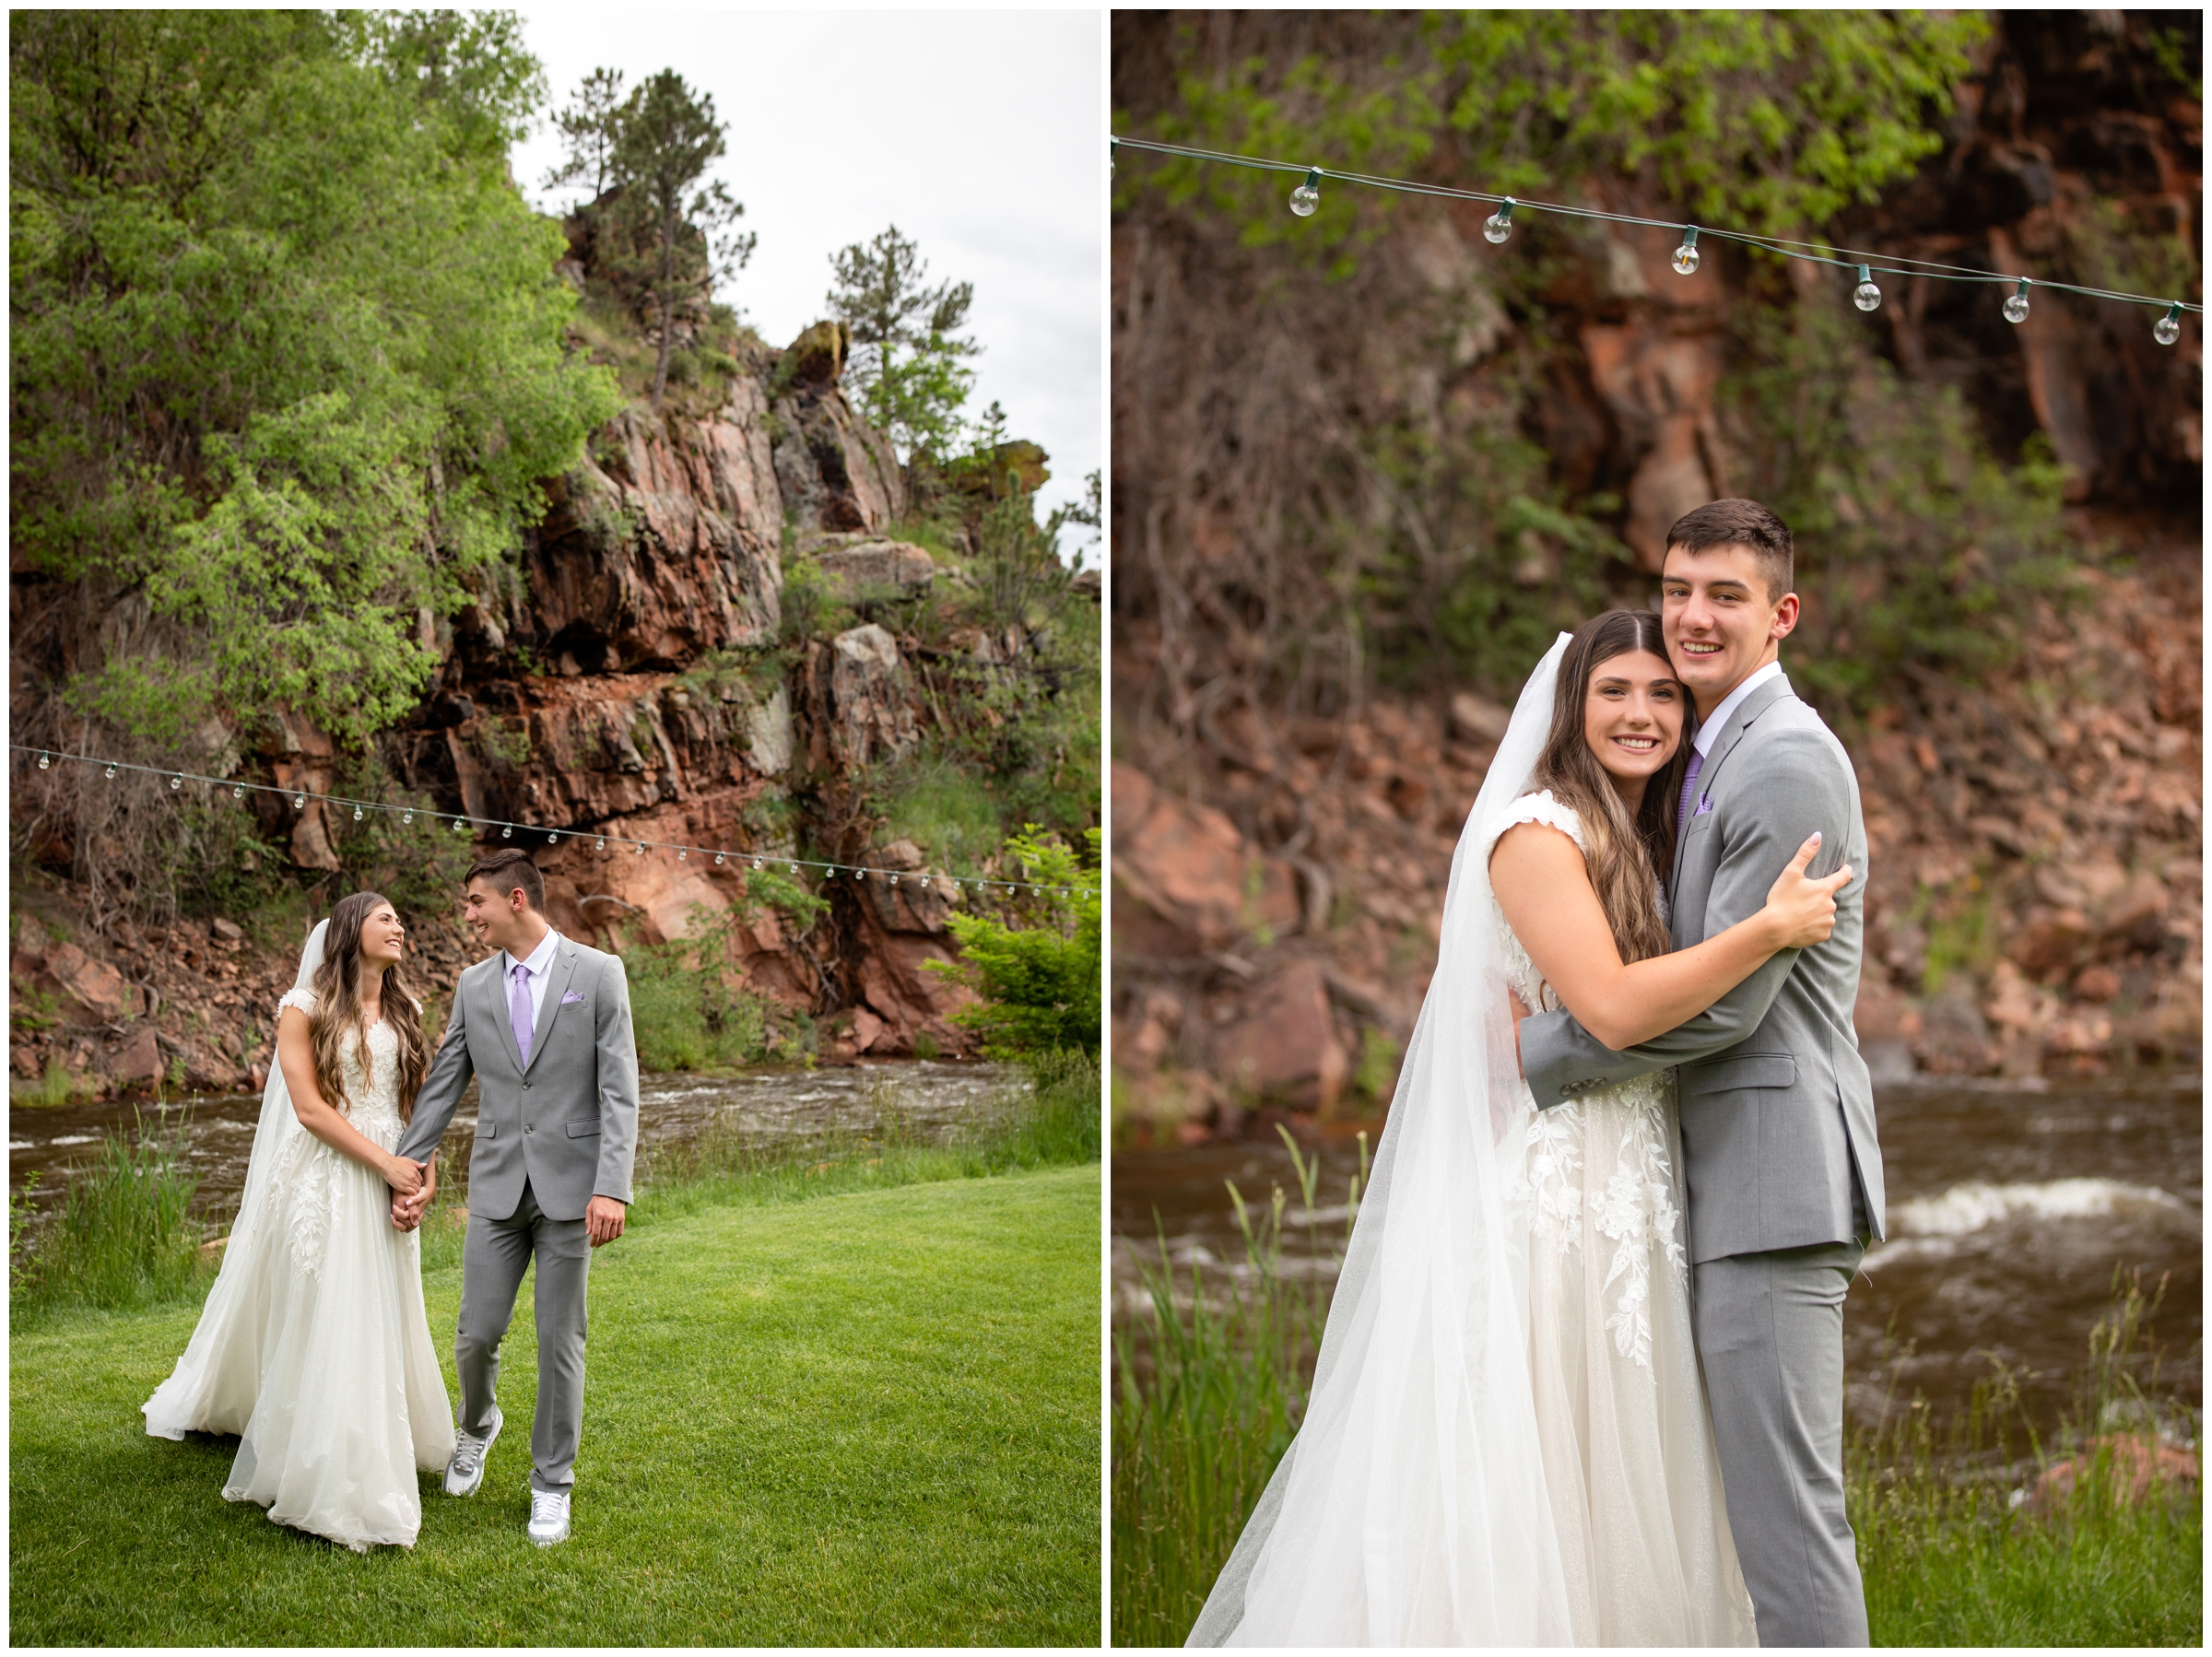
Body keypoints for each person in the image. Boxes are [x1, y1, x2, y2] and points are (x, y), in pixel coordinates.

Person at [1190, 595, 1852, 1644]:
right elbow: (1618, 1007)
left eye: (1663, 695)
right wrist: (1768, 929)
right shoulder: (1538, 831)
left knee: (1624, 1480)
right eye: (1615, 693)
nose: (1641, 714)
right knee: (1540, 1469)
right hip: (1559, 1194)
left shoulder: (1634, 829)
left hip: (1630, 1183)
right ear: (1569, 707)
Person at [1519, 499, 1885, 1646]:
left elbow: (1729, 1002)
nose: (1692, 615)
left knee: (1786, 1525)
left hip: (1774, 1191)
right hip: (1717, 1189)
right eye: (1679, 588)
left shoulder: (1784, 760)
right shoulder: (1709, 748)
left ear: (1780, 616)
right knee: (1736, 1525)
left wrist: (1545, 1052)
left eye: (1724, 595)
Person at [144, 893, 456, 1552]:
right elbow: (310, 1108)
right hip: (330, 1172)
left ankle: (383, 1428)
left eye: (401, 919)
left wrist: (422, 1176)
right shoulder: (303, 1007)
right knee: (335, 1308)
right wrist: (384, 1164)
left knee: (386, 1303)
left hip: (394, 1165)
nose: (399, 926)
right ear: (350, 932)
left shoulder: (408, 1010)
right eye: (385, 918)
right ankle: (325, 1463)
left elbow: (419, 1102)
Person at [387, 848, 640, 1548]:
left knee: (562, 1342)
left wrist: (610, 1186)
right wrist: (404, 1165)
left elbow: (620, 1088)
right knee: (476, 1334)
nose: (468, 915)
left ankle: (550, 1484)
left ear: (516, 901)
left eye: (476, 903)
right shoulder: (472, 986)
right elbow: (445, 1081)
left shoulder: (598, 973)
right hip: (497, 1185)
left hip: (572, 1189)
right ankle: (478, 1424)